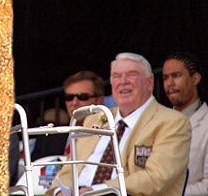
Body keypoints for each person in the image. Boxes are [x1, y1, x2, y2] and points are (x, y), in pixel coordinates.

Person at [47, 52, 191, 196]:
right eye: (117, 76)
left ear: (150, 81)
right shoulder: (95, 118)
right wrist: (59, 191)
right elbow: (68, 169)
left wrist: (97, 190)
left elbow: (156, 177)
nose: (123, 81)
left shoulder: (172, 122)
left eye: (131, 74)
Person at [31, 70, 105, 161]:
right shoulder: (47, 139)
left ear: (100, 101)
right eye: (69, 97)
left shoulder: (106, 135)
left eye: (82, 97)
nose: (74, 103)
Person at [163, 52, 208, 196]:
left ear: (195, 79)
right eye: (165, 78)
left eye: (176, 76)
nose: (170, 83)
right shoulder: (157, 121)